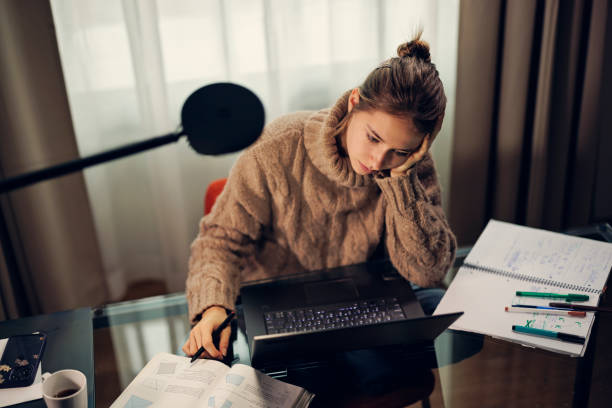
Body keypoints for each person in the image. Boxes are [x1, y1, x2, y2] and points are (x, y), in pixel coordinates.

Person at [183, 33, 456, 362]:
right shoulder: (277, 147)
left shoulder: (408, 168)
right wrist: (213, 306)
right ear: (354, 103)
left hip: (365, 304)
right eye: (373, 138)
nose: (378, 161)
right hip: (279, 304)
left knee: (454, 331)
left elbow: (427, 272)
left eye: (399, 151)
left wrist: (401, 183)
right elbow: (219, 241)